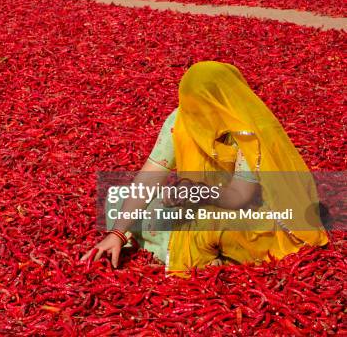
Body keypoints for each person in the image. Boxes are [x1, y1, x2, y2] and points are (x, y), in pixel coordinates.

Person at [82, 61, 328, 276]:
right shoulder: (183, 118)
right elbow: (150, 176)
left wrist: (201, 193)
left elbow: (239, 197)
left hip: (246, 211)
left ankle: (179, 249)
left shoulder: (251, 132)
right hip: (196, 201)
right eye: (191, 105)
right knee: (119, 199)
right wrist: (117, 233)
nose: (195, 113)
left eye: (203, 105)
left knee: (214, 224)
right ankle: (182, 248)